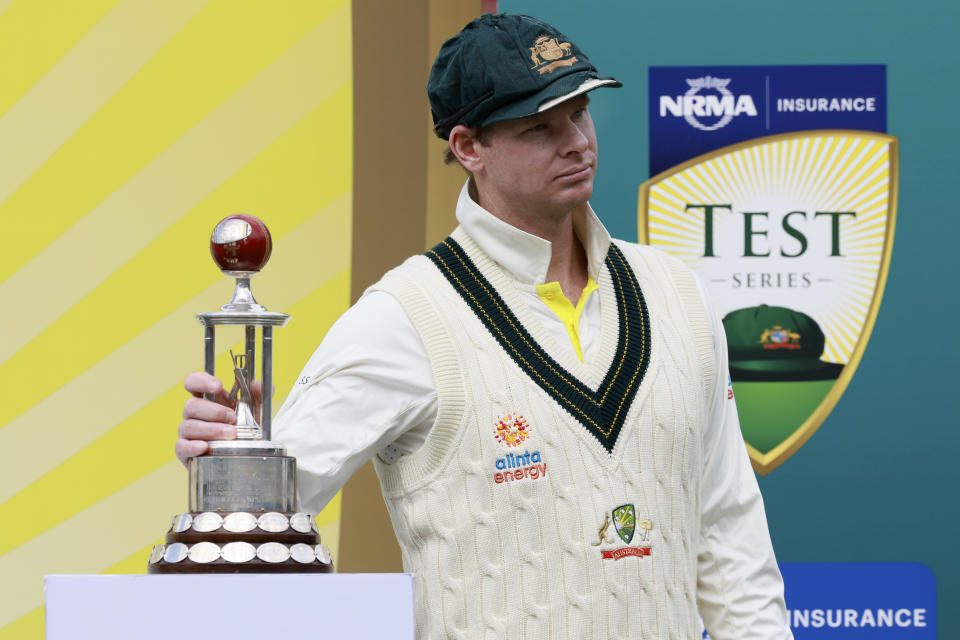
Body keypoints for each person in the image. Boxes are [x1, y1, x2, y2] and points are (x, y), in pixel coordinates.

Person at [178, 13, 792, 639]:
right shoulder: (405, 316)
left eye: (580, 112)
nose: (577, 141)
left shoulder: (678, 295)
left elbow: (728, 534)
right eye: (542, 127)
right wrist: (236, 451)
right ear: (469, 148)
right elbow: (259, 520)